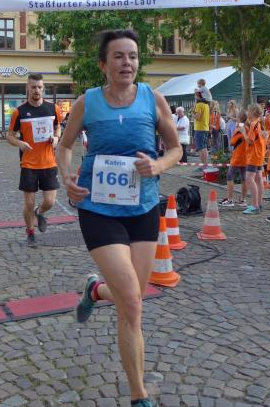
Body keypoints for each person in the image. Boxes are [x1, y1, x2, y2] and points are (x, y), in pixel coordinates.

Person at [56, 29, 180, 407]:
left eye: (133, 56)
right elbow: (64, 146)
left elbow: (176, 149)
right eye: (119, 56)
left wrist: (158, 165)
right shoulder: (88, 102)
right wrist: (66, 176)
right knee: (132, 302)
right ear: (103, 65)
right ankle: (139, 396)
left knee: (133, 297)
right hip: (98, 209)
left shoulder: (152, 99)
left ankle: (95, 291)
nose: (128, 63)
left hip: (143, 209)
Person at [8, 73, 62, 247]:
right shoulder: (19, 112)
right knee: (29, 203)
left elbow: (58, 127)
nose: (37, 90)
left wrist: (56, 138)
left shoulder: (53, 108)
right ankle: (30, 232)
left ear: (43, 88)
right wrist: (20, 143)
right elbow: (10, 136)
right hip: (29, 163)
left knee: (50, 201)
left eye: (39, 87)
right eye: (33, 87)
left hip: (49, 162)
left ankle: (40, 212)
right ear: (27, 88)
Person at [220, 110, 248, 207]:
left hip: (238, 155)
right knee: (244, 177)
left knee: (229, 176)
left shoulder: (239, 128)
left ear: (239, 118)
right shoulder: (247, 127)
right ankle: (243, 199)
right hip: (245, 155)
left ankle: (230, 199)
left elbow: (232, 142)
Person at [242, 104, 265, 214]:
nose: (247, 113)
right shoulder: (259, 123)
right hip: (259, 154)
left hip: (253, 155)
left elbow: (250, 141)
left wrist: (243, 132)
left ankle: (255, 205)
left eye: (248, 111)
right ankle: (259, 204)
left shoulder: (253, 124)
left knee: (249, 178)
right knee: (258, 179)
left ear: (252, 112)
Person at [192, 90, 210, 167]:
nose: (194, 96)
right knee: (204, 148)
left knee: (200, 148)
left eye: (195, 95)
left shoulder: (199, 105)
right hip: (205, 128)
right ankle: (205, 165)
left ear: (198, 96)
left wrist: (192, 113)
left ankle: (203, 166)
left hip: (199, 129)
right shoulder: (206, 105)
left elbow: (197, 117)